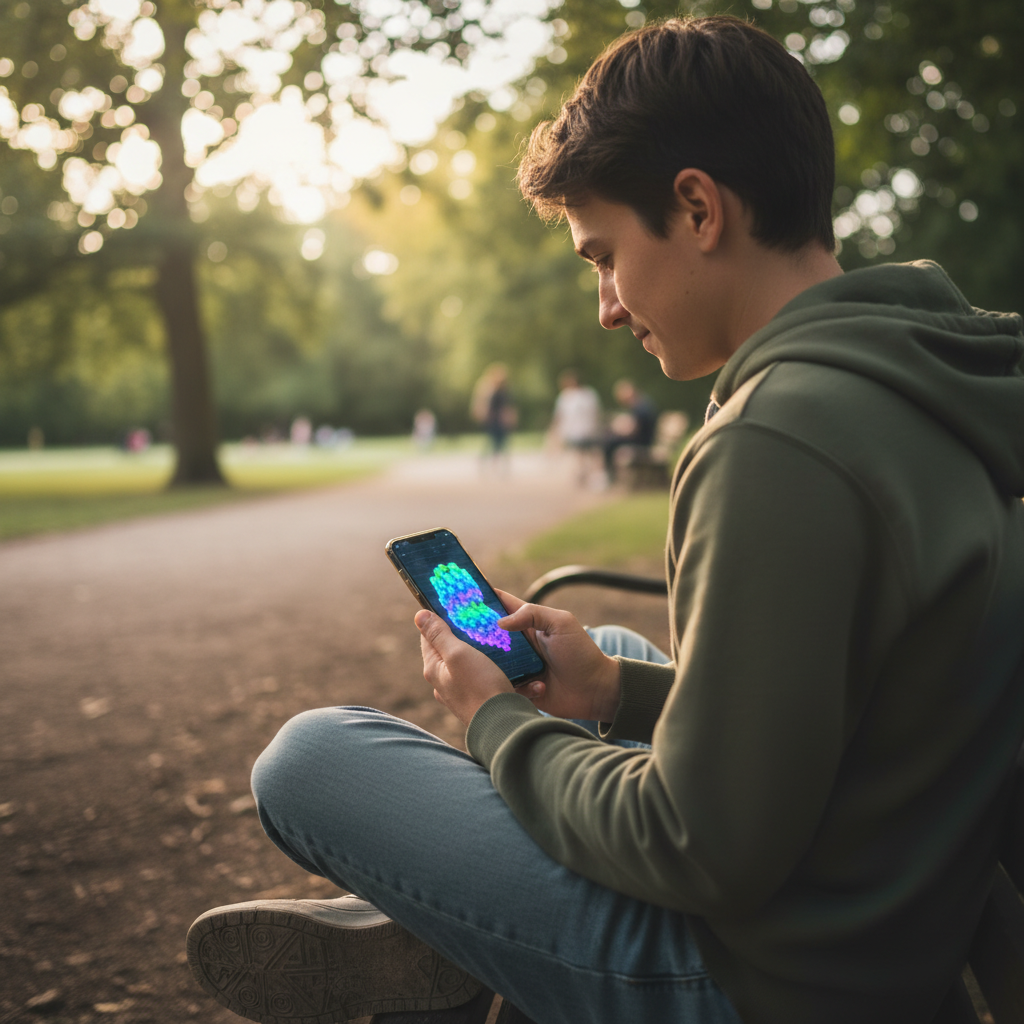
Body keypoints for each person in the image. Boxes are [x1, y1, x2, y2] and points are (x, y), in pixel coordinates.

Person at [186, 16, 1024, 1024]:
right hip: (891, 919)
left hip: (763, 980)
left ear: (697, 207)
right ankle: (459, 927)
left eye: (604, 256)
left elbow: (692, 842)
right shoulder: (931, 383)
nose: (607, 308)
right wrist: (611, 688)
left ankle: (456, 935)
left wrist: (493, 719)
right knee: (612, 655)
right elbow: (861, 716)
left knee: (309, 759)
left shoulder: (778, 443)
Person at [549, 369, 602, 484]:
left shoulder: (569, 397)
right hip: (580, 431)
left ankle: (587, 475)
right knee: (582, 454)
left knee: (585, 454)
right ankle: (585, 474)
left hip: (583, 430)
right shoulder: (587, 394)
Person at [601, 378, 658, 482]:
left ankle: (609, 475)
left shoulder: (641, 407)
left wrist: (619, 430)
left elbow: (633, 430)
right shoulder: (642, 404)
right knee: (610, 439)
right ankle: (609, 474)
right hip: (644, 439)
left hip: (643, 442)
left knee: (609, 442)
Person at [470, 362, 517, 471]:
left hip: (498, 421)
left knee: (499, 443)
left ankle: (497, 463)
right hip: (496, 421)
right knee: (495, 443)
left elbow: (508, 407)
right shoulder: (493, 392)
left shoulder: (503, 392)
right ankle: (491, 462)